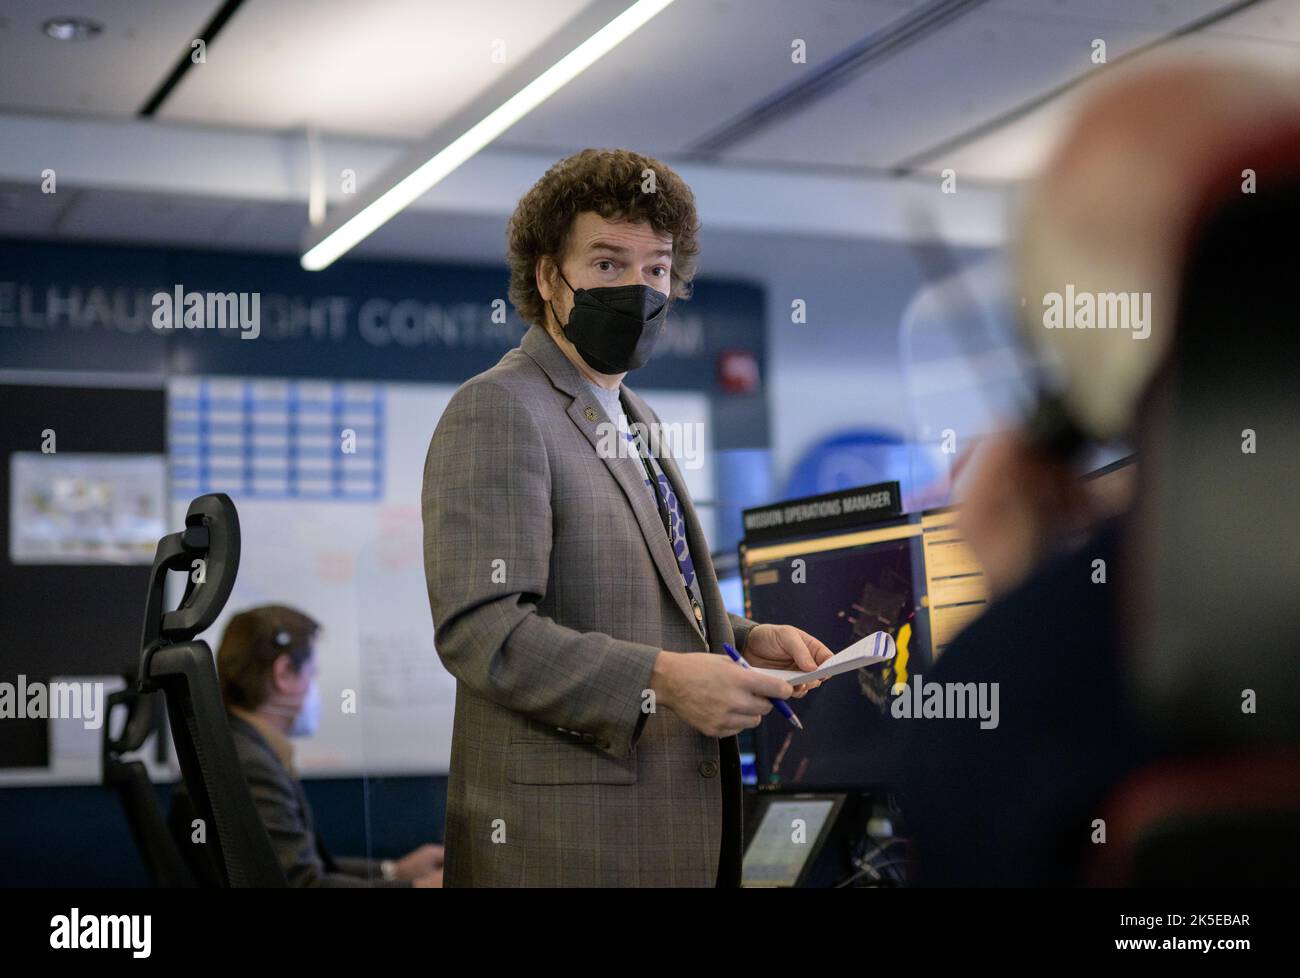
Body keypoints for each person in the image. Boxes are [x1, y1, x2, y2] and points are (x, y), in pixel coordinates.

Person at [422, 148, 831, 887]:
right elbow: (483, 634)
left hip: (669, 835)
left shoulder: (635, 417)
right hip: (567, 850)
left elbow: (640, 609)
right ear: (549, 277)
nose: (639, 289)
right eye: (608, 265)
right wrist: (666, 681)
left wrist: (741, 641)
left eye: (657, 269)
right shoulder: (499, 408)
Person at [192, 604, 444, 887]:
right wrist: (419, 887)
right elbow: (304, 884)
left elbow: (307, 867)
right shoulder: (251, 765)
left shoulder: (242, 748)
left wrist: (394, 871)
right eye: (312, 674)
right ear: (284, 673)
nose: (315, 691)